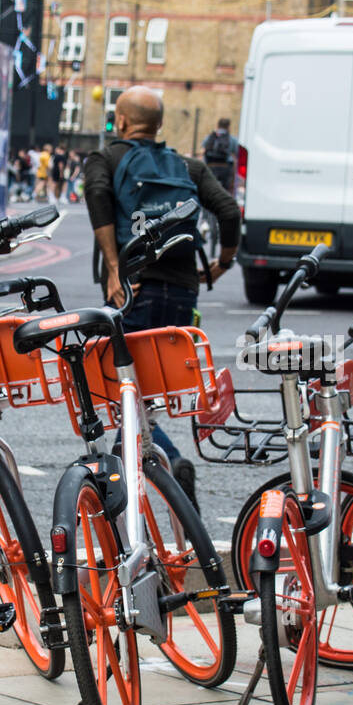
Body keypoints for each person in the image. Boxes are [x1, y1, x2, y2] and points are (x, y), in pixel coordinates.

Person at [82, 87, 241, 509]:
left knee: (127, 396)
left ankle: (164, 463)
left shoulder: (106, 159)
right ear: (159, 125)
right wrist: (222, 265)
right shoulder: (186, 166)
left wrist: (115, 268)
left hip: (135, 293)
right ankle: (131, 497)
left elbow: (97, 197)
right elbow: (228, 210)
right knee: (139, 399)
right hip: (183, 298)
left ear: (119, 121)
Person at [202, 118, 237, 194]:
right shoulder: (232, 139)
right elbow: (236, 156)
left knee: (209, 189)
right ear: (228, 127)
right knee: (225, 191)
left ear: (217, 125)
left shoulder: (209, 137)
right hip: (225, 169)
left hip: (210, 167)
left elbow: (204, 151)